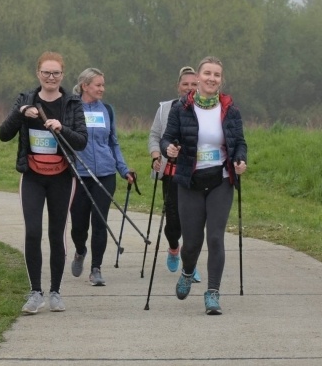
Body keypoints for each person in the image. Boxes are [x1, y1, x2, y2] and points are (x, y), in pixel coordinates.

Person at [0, 52, 88, 314]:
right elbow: (3, 134)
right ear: (38, 74)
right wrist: (21, 113)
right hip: (33, 177)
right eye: (46, 73)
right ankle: (35, 292)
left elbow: (81, 141)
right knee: (33, 231)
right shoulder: (26, 100)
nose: (51, 78)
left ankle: (56, 292)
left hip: (62, 177)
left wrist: (62, 129)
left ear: (62, 75)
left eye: (56, 73)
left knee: (56, 233)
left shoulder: (72, 103)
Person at [160, 56, 247, 315]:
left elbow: (240, 142)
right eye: (207, 73)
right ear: (197, 78)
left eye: (217, 75)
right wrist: (169, 149)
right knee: (192, 242)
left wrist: (241, 159)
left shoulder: (230, 109)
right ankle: (187, 271)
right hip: (190, 181)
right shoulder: (181, 108)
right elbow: (166, 138)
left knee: (216, 238)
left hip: (220, 180)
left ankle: (212, 293)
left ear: (221, 79)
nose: (212, 78)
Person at [69, 68, 135, 286]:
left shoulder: (107, 109)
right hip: (79, 175)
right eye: (98, 85)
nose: (102, 89)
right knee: (79, 225)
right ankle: (80, 250)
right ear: (85, 85)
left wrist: (124, 170)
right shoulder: (71, 108)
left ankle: (96, 269)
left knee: (100, 222)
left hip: (106, 174)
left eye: (103, 85)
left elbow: (113, 142)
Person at [147, 66, 202, 282]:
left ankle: (191, 264)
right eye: (185, 84)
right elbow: (154, 135)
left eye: (193, 84)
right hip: (170, 172)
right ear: (178, 86)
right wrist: (156, 155)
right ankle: (173, 247)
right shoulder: (165, 109)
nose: (189, 88)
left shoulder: (205, 109)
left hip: (196, 173)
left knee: (193, 221)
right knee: (173, 222)